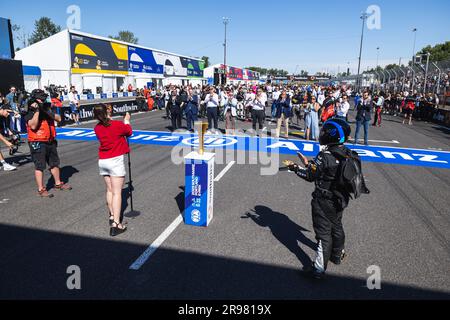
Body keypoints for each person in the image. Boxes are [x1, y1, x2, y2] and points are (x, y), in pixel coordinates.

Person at [286, 119, 368, 279]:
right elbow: (328, 172)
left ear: (331, 135)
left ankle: (318, 270)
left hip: (323, 200)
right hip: (340, 198)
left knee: (323, 234)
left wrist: (295, 168)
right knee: (336, 226)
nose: (322, 133)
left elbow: (310, 176)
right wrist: (308, 163)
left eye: (325, 131)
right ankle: (337, 255)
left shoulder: (325, 155)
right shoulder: (346, 152)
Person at [93, 104, 132, 237]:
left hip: (103, 160)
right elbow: (128, 131)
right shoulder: (116, 125)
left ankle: (111, 215)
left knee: (109, 190)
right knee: (117, 193)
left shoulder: (97, 127)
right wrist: (126, 120)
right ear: (107, 112)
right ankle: (116, 223)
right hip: (115, 160)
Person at [25, 89, 72, 197]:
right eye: (41, 98)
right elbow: (33, 125)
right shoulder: (29, 111)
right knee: (39, 166)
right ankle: (41, 189)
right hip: (37, 142)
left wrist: (46, 111)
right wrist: (37, 111)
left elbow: (59, 118)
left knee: (54, 163)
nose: (43, 100)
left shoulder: (47, 109)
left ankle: (58, 183)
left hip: (50, 140)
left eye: (43, 98)